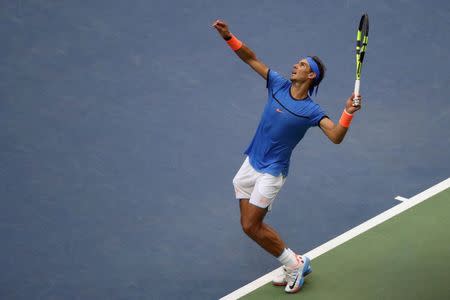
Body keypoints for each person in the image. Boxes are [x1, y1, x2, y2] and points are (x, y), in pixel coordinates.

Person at [212, 19, 362, 294]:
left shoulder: (312, 111)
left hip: (273, 172)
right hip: (251, 162)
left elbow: (336, 136)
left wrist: (348, 113)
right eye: (297, 63)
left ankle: (294, 265)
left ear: (311, 76)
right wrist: (228, 37)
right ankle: (296, 262)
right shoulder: (277, 84)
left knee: (250, 224)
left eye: (302, 65)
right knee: (249, 227)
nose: (296, 65)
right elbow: (251, 58)